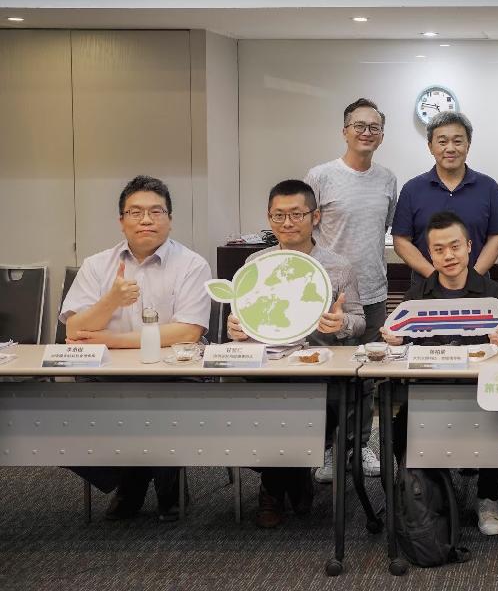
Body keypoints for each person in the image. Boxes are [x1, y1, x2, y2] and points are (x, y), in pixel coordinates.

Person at [58, 175, 212, 522]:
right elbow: (74, 329)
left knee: (159, 401)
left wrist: (110, 339)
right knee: (69, 405)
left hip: (173, 375)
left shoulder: (192, 264)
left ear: (170, 219)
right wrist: (111, 300)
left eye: (156, 212)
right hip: (109, 376)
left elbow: (189, 332)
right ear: (121, 220)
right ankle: (136, 475)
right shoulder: (97, 265)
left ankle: (156, 482)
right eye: (136, 212)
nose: (146, 220)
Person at [226, 179, 366, 528]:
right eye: (279, 215)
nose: (287, 223)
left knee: (295, 408)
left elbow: (359, 322)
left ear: (315, 217)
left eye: (296, 214)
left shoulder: (338, 267)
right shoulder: (255, 264)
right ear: (269, 218)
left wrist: (341, 323)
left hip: (318, 372)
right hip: (267, 369)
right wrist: (235, 327)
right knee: (261, 408)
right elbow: (242, 320)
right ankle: (293, 476)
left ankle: (273, 489)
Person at [380, 211, 498, 536]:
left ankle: (488, 497)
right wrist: (395, 341)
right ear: (429, 253)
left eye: (455, 246)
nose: (448, 256)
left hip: (480, 394)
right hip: (428, 394)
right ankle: (430, 492)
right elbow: (402, 349)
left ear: (468, 246)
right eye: (439, 249)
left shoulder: (494, 295)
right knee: (399, 429)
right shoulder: (415, 299)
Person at [304, 97, 397, 480]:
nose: (366, 132)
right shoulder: (320, 176)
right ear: (345, 131)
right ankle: (328, 448)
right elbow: (306, 229)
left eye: (374, 127)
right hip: (326, 296)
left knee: (366, 376)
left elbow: (383, 227)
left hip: (373, 292)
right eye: (359, 125)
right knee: (326, 375)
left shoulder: (388, 179)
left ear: (382, 135)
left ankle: (359, 445)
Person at [393, 111, 498, 281]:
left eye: (457, 141)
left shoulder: (488, 187)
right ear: (430, 147)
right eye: (442, 142)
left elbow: (496, 237)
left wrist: (473, 277)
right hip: (426, 288)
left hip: (477, 287)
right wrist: (435, 277)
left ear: (468, 145)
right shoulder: (412, 189)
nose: (450, 148)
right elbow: (401, 240)